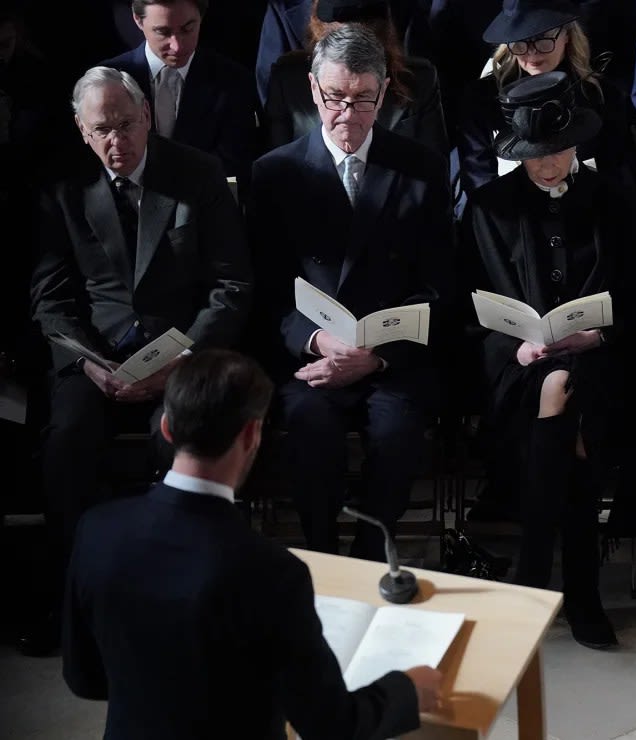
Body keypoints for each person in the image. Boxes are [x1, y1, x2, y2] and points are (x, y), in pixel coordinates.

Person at [63, 349, 443, 740]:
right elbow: (332, 725)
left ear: (166, 428)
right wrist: (407, 691)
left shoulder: (97, 530)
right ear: (252, 434)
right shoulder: (271, 571)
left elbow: (85, 679)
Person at [25, 65, 252, 657]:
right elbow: (51, 299)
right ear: (81, 130)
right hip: (95, 358)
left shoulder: (197, 174)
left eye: (127, 125)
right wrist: (87, 363)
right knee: (66, 441)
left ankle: (183, 601)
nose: (117, 143)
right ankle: (74, 602)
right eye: (102, 130)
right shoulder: (61, 184)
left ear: (148, 116)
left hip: (182, 355)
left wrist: (181, 361)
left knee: (182, 442)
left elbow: (230, 287)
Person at [462, 71, 636, 650]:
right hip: (513, 364)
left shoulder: (613, 199)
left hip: (605, 360)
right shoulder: (488, 207)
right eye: (535, 156)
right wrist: (518, 344)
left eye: (558, 152)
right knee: (557, 399)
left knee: (568, 396)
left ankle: (531, 574)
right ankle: (581, 590)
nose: (548, 166)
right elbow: (468, 303)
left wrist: (597, 337)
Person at [249, 24, 451, 560]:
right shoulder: (275, 172)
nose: (347, 113)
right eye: (336, 97)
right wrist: (316, 342)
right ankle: (322, 555)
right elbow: (265, 290)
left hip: (393, 360)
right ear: (313, 90)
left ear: (383, 94)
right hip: (313, 357)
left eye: (363, 99)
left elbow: (439, 284)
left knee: (397, 436)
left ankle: (367, 558)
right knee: (309, 430)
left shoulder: (422, 170)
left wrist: (376, 357)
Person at [456, 0, 631, 196]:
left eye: (543, 37)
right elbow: (479, 180)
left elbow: (618, 175)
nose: (532, 51)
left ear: (567, 34)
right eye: (519, 40)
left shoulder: (601, 95)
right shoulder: (483, 98)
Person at [100, 0, 259, 186]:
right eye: (163, 32)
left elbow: (235, 164)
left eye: (188, 29)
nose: (177, 46)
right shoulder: (106, 80)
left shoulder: (235, 81)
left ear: (201, 17)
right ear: (138, 20)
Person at [263, 0, 447, 155]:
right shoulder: (288, 81)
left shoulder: (419, 80)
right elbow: (276, 172)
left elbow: (433, 175)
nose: (348, 113)